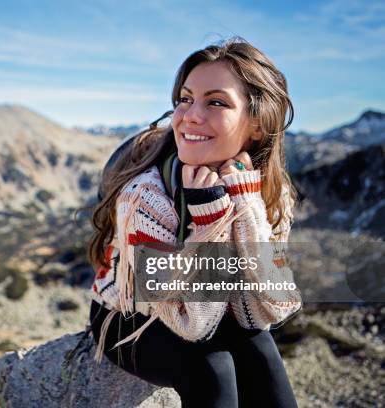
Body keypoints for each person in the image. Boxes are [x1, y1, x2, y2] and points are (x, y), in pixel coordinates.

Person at [86, 37, 302, 408]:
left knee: (260, 350)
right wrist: (210, 220)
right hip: (130, 316)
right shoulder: (146, 195)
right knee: (211, 368)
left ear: (256, 126)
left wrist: (246, 206)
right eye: (185, 99)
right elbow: (194, 322)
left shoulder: (268, 192)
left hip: (210, 304)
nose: (190, 116)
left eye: (215, 102)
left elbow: (273, 306)